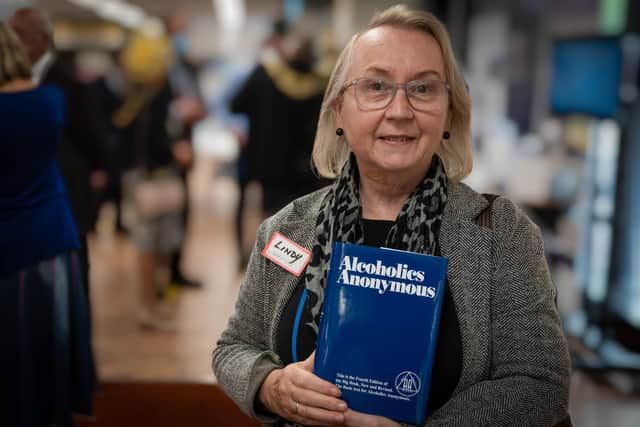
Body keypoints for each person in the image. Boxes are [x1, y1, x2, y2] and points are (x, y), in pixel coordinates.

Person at [213, 5, 571, 427]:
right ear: (339, 110)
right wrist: (270, 386)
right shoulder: (287, 229)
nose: (399, 110)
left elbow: (539, 383)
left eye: (422, 89)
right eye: (376, 86)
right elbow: (233, 348)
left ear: (449, 113)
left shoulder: (499, 233)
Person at [0, 22, 95, 426]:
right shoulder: (51, 100)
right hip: (52, 236)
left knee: (11, 358)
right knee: (49, 351)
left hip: (9, 243)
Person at [9, 7, 109, 310]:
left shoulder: (67, 83)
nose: (15, 43)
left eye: (21, 35)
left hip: (67, 196)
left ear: (44, 40)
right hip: (28, 203)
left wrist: (98, 170)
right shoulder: (13, 81)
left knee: (73, 282)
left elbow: (93, 135)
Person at [231, 28, 327, 269]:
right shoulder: (321, 83)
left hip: (269, 165)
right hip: (307, 169)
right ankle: (290, 271)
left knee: (271, 218)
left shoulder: (265, 74)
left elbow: (236, 104)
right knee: (300, 224)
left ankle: (264, 268)